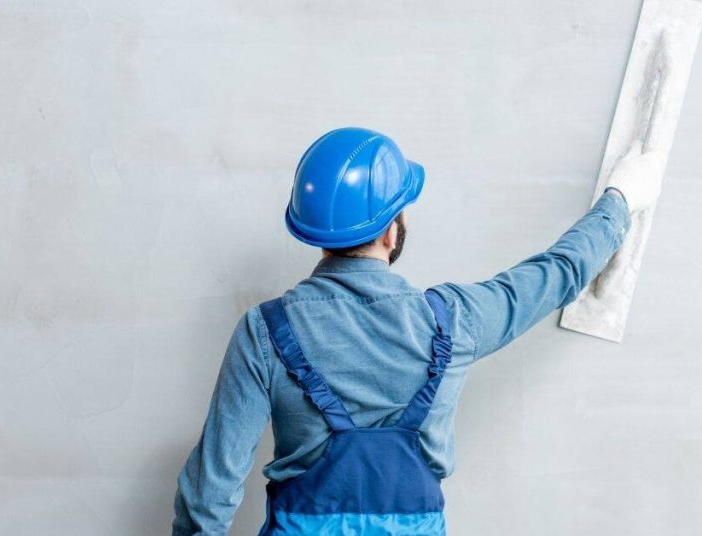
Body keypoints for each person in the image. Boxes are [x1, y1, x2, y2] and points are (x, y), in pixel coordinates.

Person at [171, 127, 664, 535]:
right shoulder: (455, 320)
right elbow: (555, 275)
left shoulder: (264, 331)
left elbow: (208, 498)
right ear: (391, 230)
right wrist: (619, 202)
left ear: (313, 233)